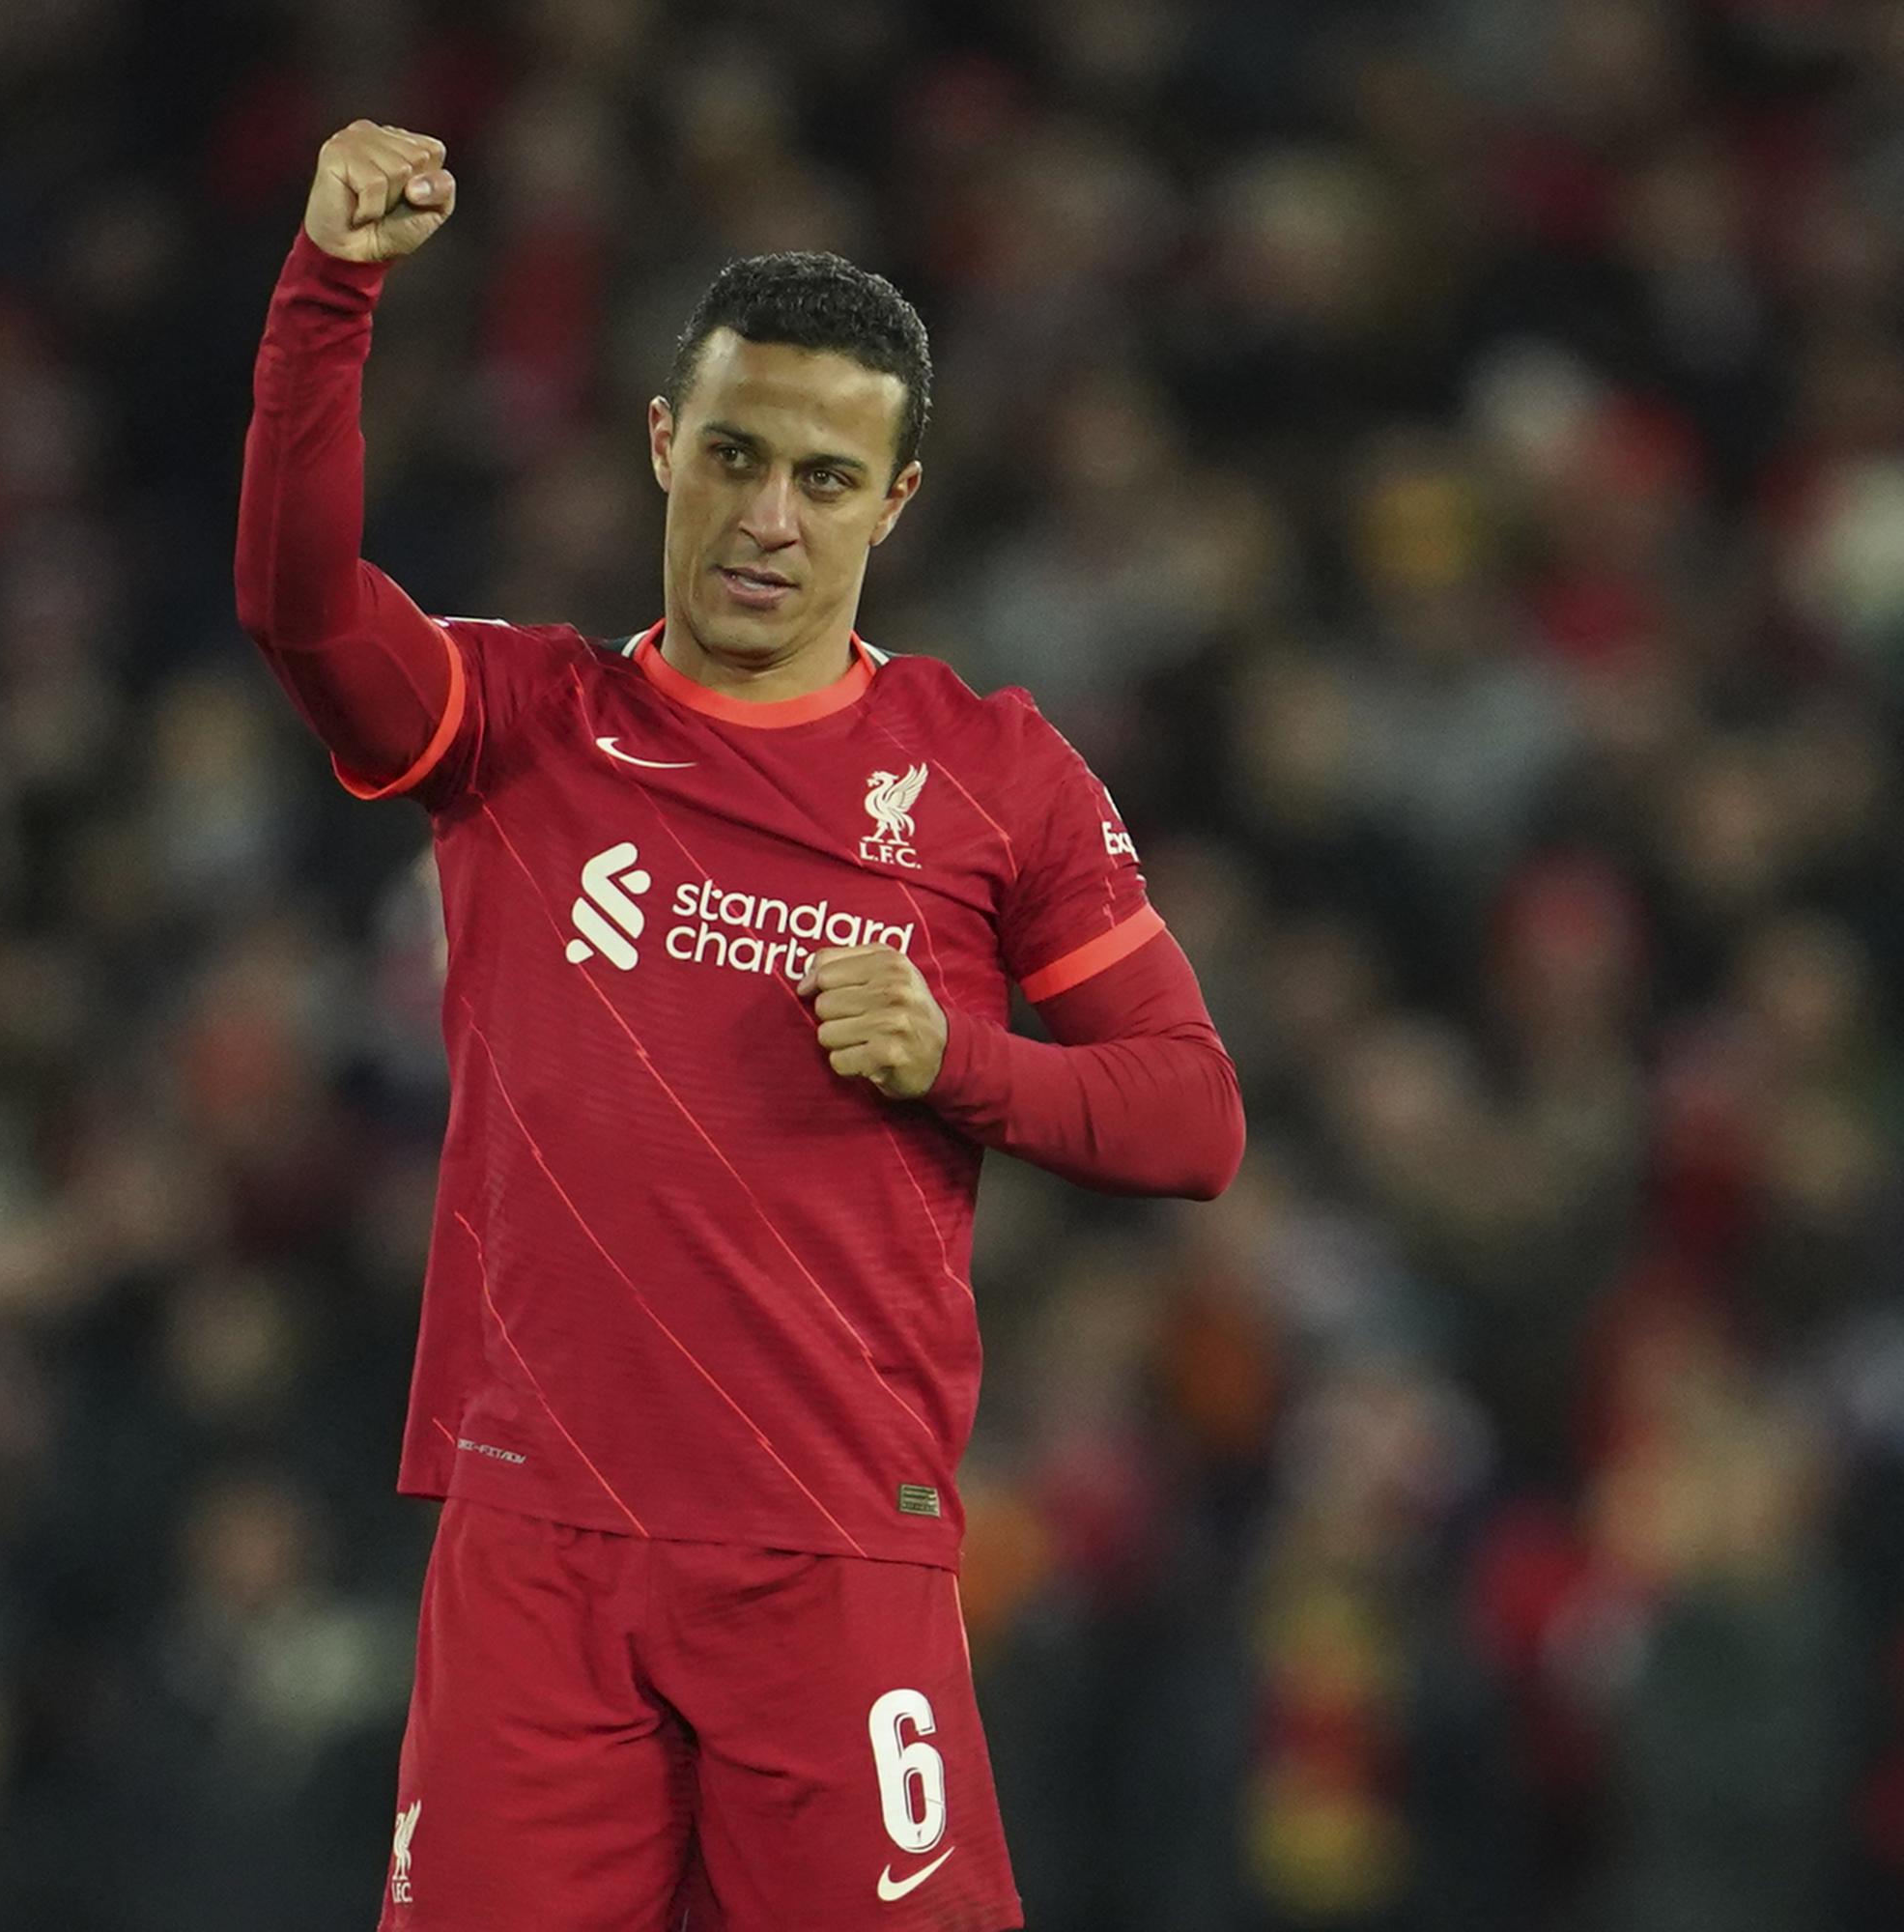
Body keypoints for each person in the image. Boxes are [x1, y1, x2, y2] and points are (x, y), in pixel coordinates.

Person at [235, 121, 1247, 1931]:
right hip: (540, 1540)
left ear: (899, 498)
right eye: (734, 456)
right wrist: (332, 293)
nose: (771, 518)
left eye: (828, 478)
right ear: (660, 448)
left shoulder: (990, 775)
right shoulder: (519, 729)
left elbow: (1192, 1115)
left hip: (833, 1552)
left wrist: (963, 1063)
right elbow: (300, 604)